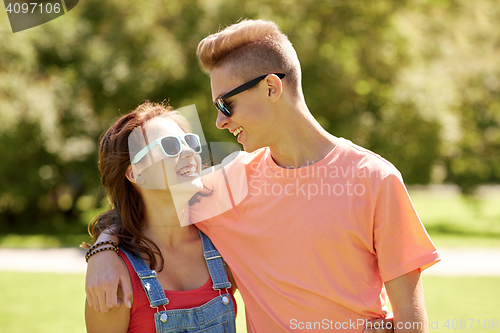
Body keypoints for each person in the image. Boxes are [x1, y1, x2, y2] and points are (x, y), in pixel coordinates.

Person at [86, 20, 440, 332]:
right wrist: (102, 251)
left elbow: (411, 318)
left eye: (226, 104)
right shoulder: (232, 183)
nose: (219, 121)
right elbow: (147, 206)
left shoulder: (375, 180)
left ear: (271, 87)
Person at [84, 102, 237, 333]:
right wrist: (103, 247)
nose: (188, 151)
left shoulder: (224, 246)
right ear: (135, 173)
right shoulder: (115, 278)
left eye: (190, 141)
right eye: (169, 145)